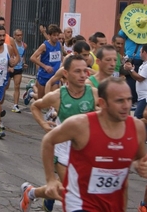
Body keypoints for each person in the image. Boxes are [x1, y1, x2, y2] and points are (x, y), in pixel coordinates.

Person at [41, 77, 147, 212]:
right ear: (102, 103)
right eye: (119, 101)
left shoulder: (137, 127)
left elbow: (139, 161)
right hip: (80, 202)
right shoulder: (80, 125)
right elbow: (48, 141)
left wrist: (139, 166)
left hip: (114, 203)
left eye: (129, 99)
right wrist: (50, 179)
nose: (126, 106)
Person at [21, 55, 98, 212]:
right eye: (77, 71)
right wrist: (43, 123)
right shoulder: (57, 96)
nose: (83, 75)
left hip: (85, 151)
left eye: (85, 71)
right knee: (73, 195)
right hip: (62, 151)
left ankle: (32, 192)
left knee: (70, 190)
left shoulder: (94, 94)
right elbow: (35, 106)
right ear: (66, 74)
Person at [30, 24, 63, 99]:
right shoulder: (44, 46)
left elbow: (61, 56)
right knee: (41, 98)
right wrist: (45, 66)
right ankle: (31, 94)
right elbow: (32, 58)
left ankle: (51, 110)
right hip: (44, 75)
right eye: (54, 35)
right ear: (49, 35)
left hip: (55, 75)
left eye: (58, 35)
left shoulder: (59, 44)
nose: (56, 37)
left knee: (54, 97)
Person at [123, 44, 147, 120]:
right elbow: (136, 77)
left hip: (145, 97)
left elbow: (140, 78)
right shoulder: (144, 64)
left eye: (140, 51)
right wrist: (130, 70)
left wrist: (131, 70)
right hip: (141, 97)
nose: (139, 54)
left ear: (144, 52)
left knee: (137, 118)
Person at [9, 29, 27, 113]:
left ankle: (15, 105)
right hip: (10, 68)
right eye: (18, 35)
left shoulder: (24, 45)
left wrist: (24, 63)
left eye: (21, 35)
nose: (20, 37)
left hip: (18, 68)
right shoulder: (11, 45)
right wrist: (9, 65)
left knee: (17, 86)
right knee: (5, 87)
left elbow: (23, 56)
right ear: (14, 36)